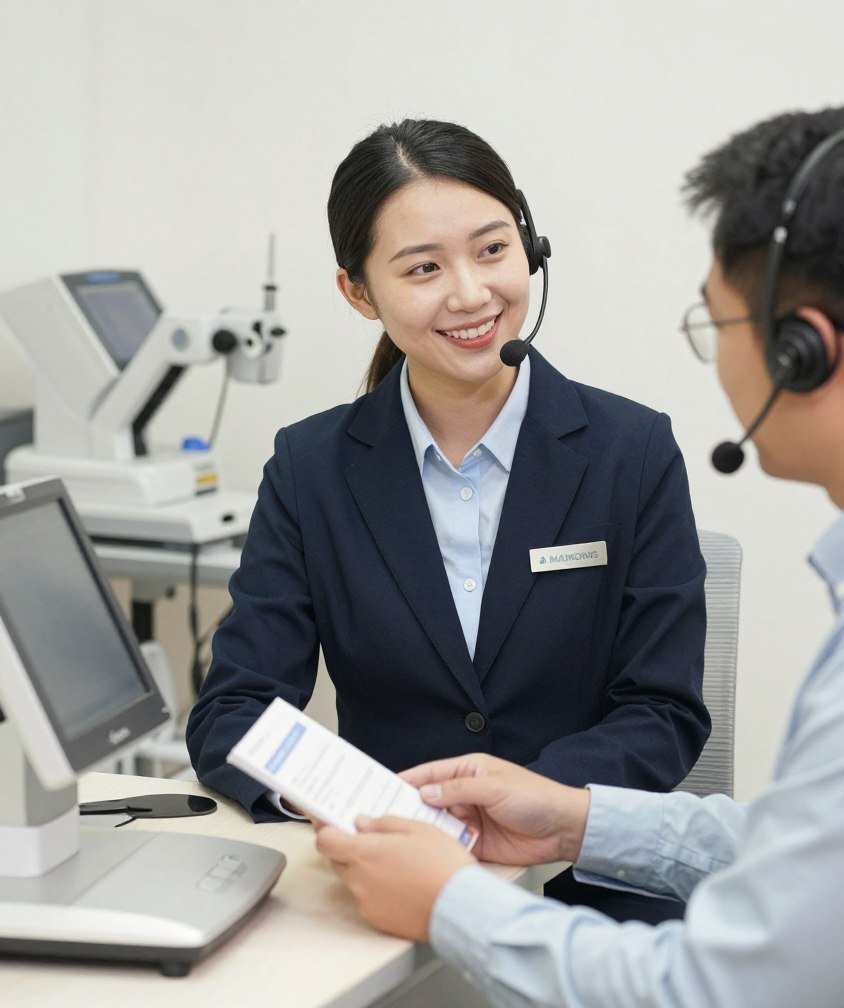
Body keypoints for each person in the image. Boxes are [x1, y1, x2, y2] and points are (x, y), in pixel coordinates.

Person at [313, 102, 844, 1008]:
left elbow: (714, 997)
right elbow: (811, 851)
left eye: (718, 322)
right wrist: (577, 818)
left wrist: (450, 901)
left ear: (803, 351)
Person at [186, 119, 710, 925]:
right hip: (381, 883)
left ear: (530, 249)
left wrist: (527, 800)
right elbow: (237, 713)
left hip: (587, 893)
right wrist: (344, 805)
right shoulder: (311, 468)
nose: (470, 293)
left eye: (493, 250)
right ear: (358, 291)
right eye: (423, 268)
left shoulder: (630, 451)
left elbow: (663, 710)